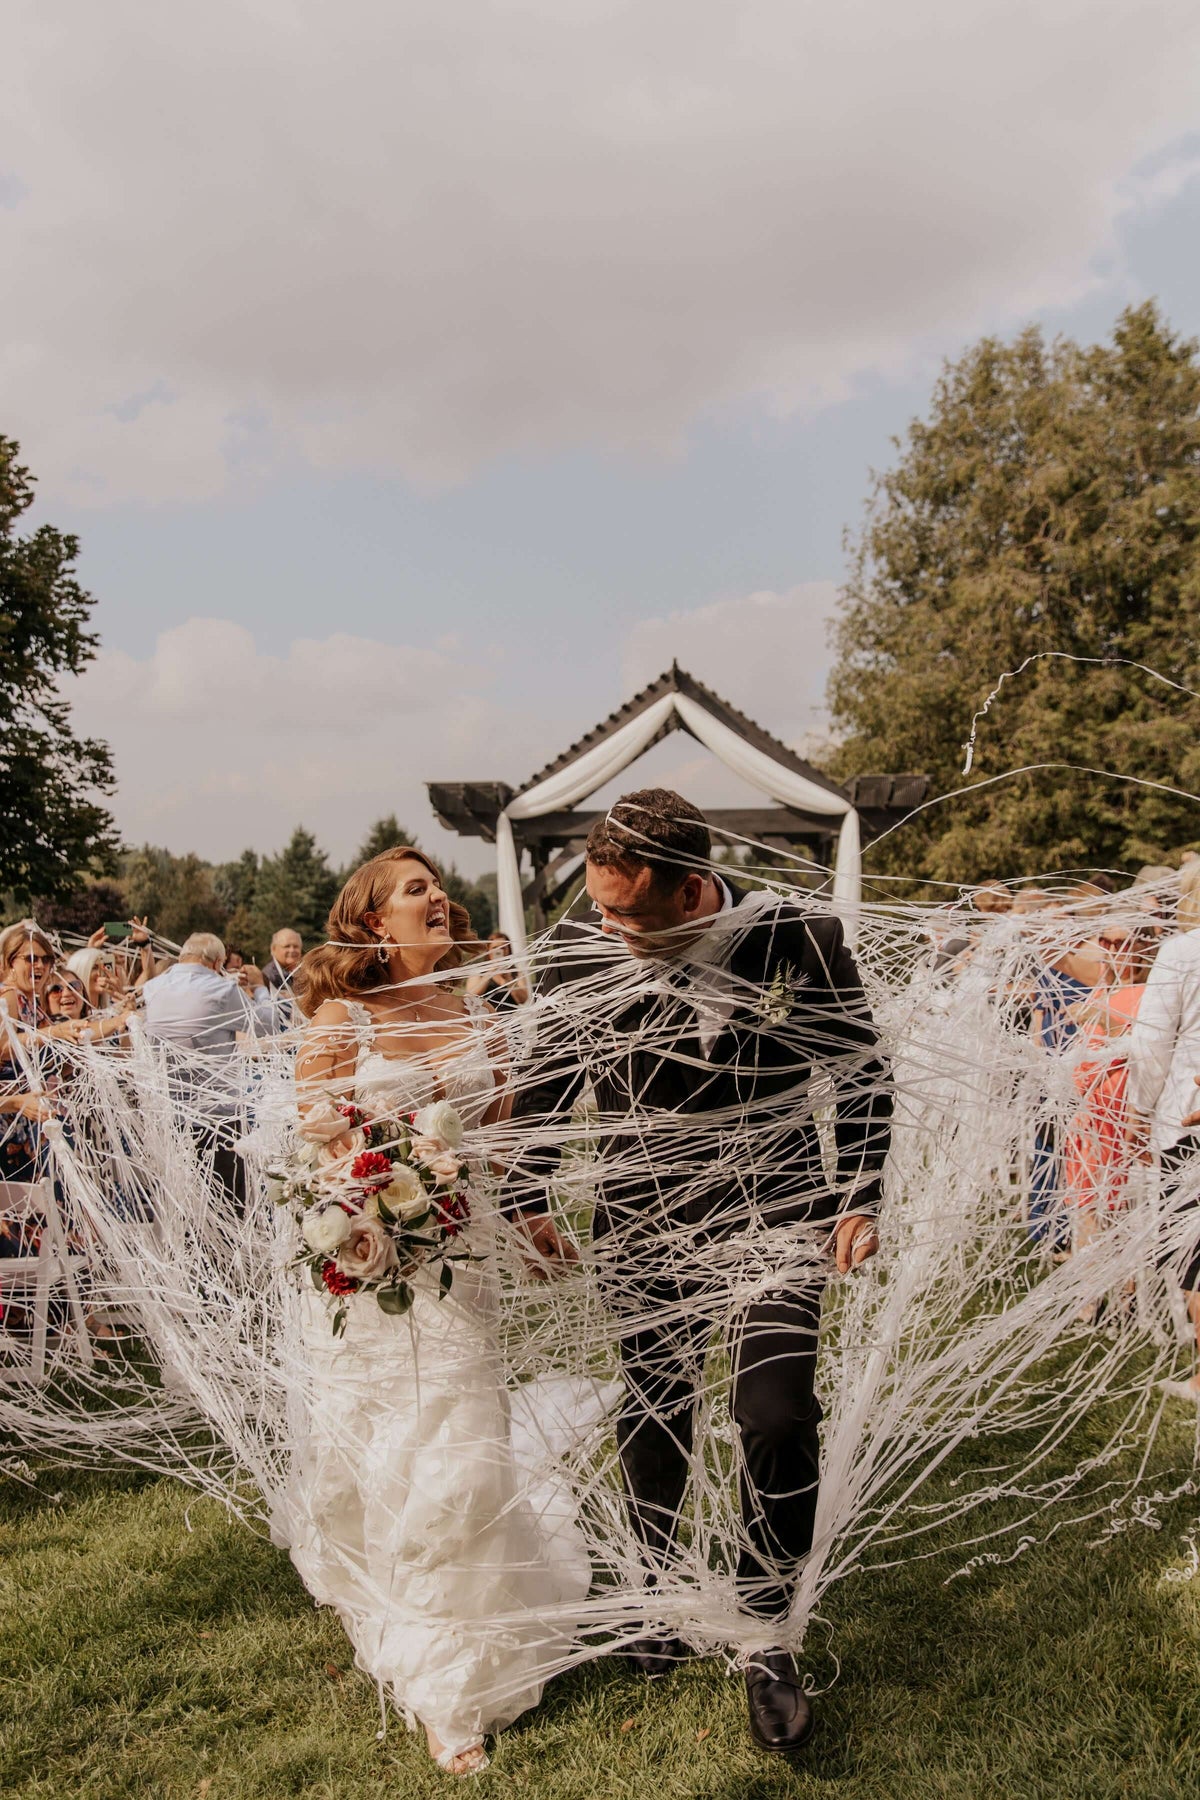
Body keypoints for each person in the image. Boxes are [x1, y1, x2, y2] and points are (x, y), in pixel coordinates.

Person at [503, 787, 893, 1758]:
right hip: (641, 1214)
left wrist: (859, 1194)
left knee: (776, 1412)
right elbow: (551, 1079)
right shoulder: (578, 952)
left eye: (625, 914)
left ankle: (767, 1632)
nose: (606, 929)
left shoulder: (796, 934)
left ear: (689, 896)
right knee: (654, 1405)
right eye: (598, 907)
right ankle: (653, 1590)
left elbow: (863, 1069)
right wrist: (527, 1194)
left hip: (779, 1208)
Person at [288, 849, 592, 1778]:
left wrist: (534, 1217)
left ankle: (449, 1673)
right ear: (375, 922)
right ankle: (427, 1653)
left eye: (435, 886)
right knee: (384, 1448)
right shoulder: (342, 1017)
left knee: (460, 1452)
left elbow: (501, 1137)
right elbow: (306, 1143)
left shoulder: (474, 1012)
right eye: (414, 889)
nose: (438, 897)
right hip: (376, 1269)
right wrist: (373, 1198)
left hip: (466, 1261)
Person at [1126, 860, 1200, 1397]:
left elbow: (1151, 1044)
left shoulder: (1180, 953)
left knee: (1194, 1247)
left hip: (1187, 1117)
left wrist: (1136, 1112)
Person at [1061, 921, 1154, 1319]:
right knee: (1085, 1203)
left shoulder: (1148, 990)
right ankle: (1088, 1294)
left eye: (1122, 941)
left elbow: (1145, 1039)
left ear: (1142, 945)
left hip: (1122, 1115)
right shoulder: (1103, 983)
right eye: (1106, 940)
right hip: (1088, 1113)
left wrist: (1095, 1013)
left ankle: (1125, 1294)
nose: (1113, 948)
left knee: (1118, 1206)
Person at [141, 932, 273, 1212]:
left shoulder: (152, 988)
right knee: (226, 1207)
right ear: (216, 963)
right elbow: (268, 1025)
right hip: (217, 1117)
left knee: (182, 1206)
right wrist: (260, 988)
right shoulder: (221, 989)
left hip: (169, 1116)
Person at [464, 930, 529, 1010]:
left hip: (510, 1019)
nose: (499, 951)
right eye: (495, 948)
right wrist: (490, 973)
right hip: (486, 1020)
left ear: (508, 950)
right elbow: (470, 996)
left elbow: (523, 999)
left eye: (503, 948)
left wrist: (508, 980)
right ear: (489, 950)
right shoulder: (479, 971)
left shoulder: (516, 972)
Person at [262, 927, 303, 1029]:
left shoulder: (303, 972)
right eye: (287, 946)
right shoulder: (269, 976)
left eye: (296, 946)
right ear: (273, 949)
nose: (292, 950)